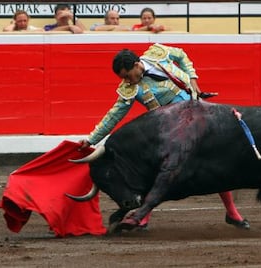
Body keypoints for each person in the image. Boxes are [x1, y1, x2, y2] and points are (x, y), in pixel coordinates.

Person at [78, 43, 247, 231]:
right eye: (123, 78)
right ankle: (143, 217)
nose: (126, 81)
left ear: (136, 65)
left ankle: (232, 212)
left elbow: (181, 55)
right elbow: (114, 115)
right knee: (161, 172)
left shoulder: (157, 53)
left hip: (201, 117)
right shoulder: (129, 89)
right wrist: (92, 139)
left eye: (127, 75)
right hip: (174, 133)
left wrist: (193, 79)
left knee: (216, 163)